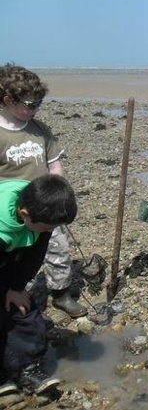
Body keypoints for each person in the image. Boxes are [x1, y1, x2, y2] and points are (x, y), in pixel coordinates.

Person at [0, 63, 87, 318]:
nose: (35, 109)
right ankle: (14, 290)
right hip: (14, 213)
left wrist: (59, 197)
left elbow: (54, 166)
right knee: (15, 255)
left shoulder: (40, 130)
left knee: (57, 248)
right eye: (30, 104)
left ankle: (61, 294)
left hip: (46, 206)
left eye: (39, 104)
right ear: (7, 99)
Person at [1, 175, 78, 396]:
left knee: (24, 309)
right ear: (24, 214)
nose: (48, 231)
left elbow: (36, 254)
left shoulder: (43, 212)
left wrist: (16, 287)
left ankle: (28, 368)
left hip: (12, 251)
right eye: (46, 227)